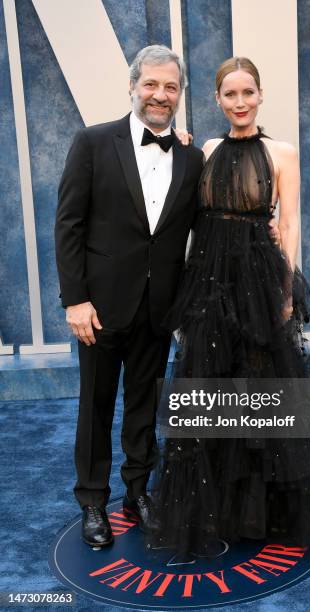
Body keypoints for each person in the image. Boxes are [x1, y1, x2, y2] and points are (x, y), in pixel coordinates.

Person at [148, 57, 310, 557]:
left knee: (261, 388)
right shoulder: (208, 149)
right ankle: (213, 504)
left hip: (258, 282)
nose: (239, 103)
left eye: (247, 93)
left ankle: (262, 510)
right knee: (208, 386)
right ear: (217, 100)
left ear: (260, 95)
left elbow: (289, 224)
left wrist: (284, 293)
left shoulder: (282, 152)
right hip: (209, 279)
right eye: (230, 95)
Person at [54, 45, 205, 547]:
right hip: (98, 309)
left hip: (159, 308)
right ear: (133, 85)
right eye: (151, 85)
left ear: (179, 94)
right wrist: (75, 300)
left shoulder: (191, 156)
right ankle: (92, 501)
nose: (160, 95)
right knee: (95, 407)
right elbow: (69, 225)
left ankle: (137, 492)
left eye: (170, 87)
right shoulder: (93, 142)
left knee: (143, 405)